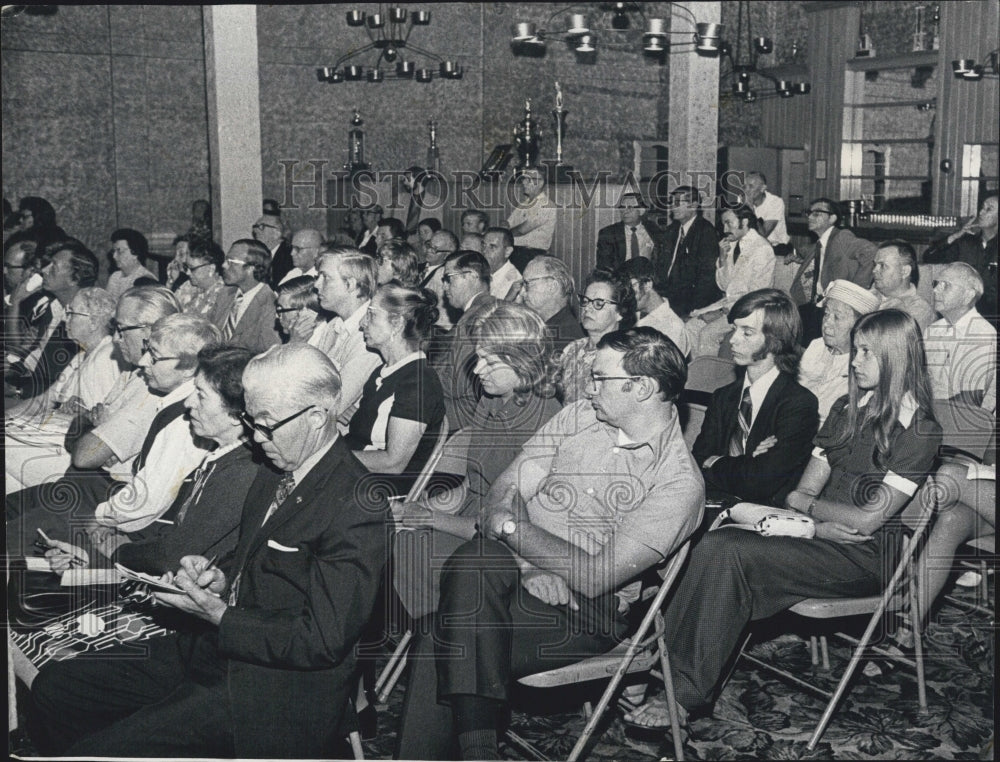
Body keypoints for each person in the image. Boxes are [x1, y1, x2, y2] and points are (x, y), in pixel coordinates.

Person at [28, 343, 392, 759]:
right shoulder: (278, 467)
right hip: (214, 652)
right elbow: (262, 569)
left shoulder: (358, 504)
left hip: (272, 692)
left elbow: (323, 639)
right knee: (55, 689)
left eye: (267, 425)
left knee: (97, 751)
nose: (255, 437)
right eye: (252, 422)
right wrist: (219, 577)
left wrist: (221, 614)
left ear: (315, 417)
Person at [625, 309, 943, 745]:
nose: (855, 360)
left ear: (896, 358)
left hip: (870, 558)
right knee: (716, 541)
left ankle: (678, 690)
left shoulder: (919, 429)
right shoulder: (846, 408)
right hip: (823, 539)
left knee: (730, 551)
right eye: (857, 349)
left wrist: (814, 508)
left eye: (867, 352)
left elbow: (870, 521)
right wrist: (815, 512)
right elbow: (798, 495)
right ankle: (666, 671)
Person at [395, 326, 704, 761]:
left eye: (600, 378)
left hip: (586, 613)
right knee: (477, 560)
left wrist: (509, 531)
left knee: (438, 635)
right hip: (513, 570)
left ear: (643, 388)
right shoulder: (579, 416)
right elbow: (507, 489)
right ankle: (480, 750)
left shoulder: (678, 482)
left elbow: (596, 576)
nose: (587, 385)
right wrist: (527, 563)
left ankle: (475, 748)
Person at [393, 300, 562, 620]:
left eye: (489, 361)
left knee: (405, 552)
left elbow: (510, 530)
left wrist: (430, 518)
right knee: (385, 537)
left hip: (509, 546)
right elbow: (473, 482)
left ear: (522, 362)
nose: (477, 369)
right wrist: (421, 510)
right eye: (478, 357)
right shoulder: (493, 396)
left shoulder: (543, 422)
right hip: (472, 523)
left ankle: (420, 648)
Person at [6, 312, 219, 555]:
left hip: (120, 527)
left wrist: (100, 516)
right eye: (147, 350)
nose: (142, 362)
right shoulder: (170, 401)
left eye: (155, 357)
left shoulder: (185, 420)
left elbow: (148, 501)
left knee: (12, 540)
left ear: (189, 367)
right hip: (107, 503)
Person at [40, 346, 259, 575]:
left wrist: (113, 548)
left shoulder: (240, 473)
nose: (188, 403)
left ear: (235, 414)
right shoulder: (221, 457)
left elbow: (170, 558)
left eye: (201, 395)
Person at [692, 288, 819, 509]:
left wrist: (717, 462)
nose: (733, 340)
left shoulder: (798, 404)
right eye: (734, 330)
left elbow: (760, 483)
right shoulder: (723, 397)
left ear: (775, 340)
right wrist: (750, 462)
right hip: (713, 507)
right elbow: (697, 463)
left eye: (747, 332)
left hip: (764, 519)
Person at [344, 283, 445, 495]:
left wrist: (327, 457)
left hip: (377, 490)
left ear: (397, 323)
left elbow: (393, 463)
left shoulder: (419, 383)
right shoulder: (385, 370)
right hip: (355, 473)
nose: (362, 324)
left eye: (370, 315)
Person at [6, 239, 99, 398]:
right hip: (28, 382)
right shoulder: (54, 307)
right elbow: (26, 354)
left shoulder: (82, 319)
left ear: (73, 278)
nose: (44, 270)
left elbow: (54, 378)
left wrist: (16, 390)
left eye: (53, 266)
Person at [686, 204, 776, 358]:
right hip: (729, 307)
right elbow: (725, 286)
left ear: (745, 222)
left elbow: (756, 295)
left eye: (729, 223)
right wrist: (722, 257)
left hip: (750, 311)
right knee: (691, 327)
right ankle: (700, 375)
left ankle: (713, 380)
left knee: (708, 334)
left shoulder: (762, 249)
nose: (724, 228)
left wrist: (721, 312)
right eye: (723, 224)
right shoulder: (732, 246)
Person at [311, 246, 384, 423]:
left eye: (325, 278)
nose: (316, 285)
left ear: (350, 284)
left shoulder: (369, 335)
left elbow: (333, 405)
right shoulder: (333, 325)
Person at [790, 198, 877, 341]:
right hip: (816, 306)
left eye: (817, 214)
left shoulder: (842, 237)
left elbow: (871, 252)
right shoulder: (822, 241)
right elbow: (814, 250)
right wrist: (796, 254)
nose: (810, 217)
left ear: (832, 218)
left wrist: (854, 291)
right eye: (809, 213)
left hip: (831, 308)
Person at [797, 279, 880, 424]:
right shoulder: (816, 346)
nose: (827, 323)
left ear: (859, 326)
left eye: (837, 317)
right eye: (826, 314)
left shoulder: (864, 364)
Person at [554, 268, 637, 404]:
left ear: (620, 312)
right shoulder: (572, 349)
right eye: (585, 301)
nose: (587, 308)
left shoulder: (624, 357)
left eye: (598, 303)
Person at [923, 262, 997, 412]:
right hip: (930, 415)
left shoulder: (982, 334)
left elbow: (971, 400)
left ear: (968, 295)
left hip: (962, 420)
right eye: (936, 284)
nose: (936, 290)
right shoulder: (933, 330)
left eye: (946, 285)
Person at [435, 250, 497, 429]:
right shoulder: (494, 305)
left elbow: (456, 385)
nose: (444, 287)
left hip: (464, 416)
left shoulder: (473, 317)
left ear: (471, 276)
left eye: (449, 279)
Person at [923, 194, 997, 321]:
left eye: (988, 209)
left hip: (992, 316)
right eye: (982, 207)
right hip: (959, 312)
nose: (981, 212)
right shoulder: (965, 242)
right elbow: (929, 257)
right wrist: (956, 236)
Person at [658, 186, 723, 317]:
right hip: (668, 296)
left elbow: (706, 279)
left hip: (691, 303)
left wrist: (690, 311)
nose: (672, 207)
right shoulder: (671, 230)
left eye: (677, 203)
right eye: (671, 203)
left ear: (693, 205)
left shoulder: (705, 232)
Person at [618, 256, 691, 357]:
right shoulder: (630, 315)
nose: (626, 295)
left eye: (631, 287)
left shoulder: (673, 328)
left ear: (647, 285)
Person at [217, 238, 281, 353]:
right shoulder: (225, 294)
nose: (224, 265)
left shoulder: (270, 304)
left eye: (231, 262)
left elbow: (268, 352)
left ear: (252, 268)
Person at [515, 254, 584, 354]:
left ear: (552, 287)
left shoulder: (566, 338)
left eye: (527, 284)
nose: (522, 293)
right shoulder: (544, 327)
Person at [870, 240, 935, 330]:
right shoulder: (867, 295)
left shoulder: (918, 310)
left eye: (882, 265)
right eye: (874, 265)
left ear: (904, 271)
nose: (874, 270)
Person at [595, 191, 661, 270]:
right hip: (619, 279)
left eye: (630, 207)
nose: (625, 211)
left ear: (641, 211)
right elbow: (604, 265)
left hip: (647, 278)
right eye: (622, 207)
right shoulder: (608, 233)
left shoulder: (654, 230)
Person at [506, 166, 556, 268]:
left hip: (532, 255)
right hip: (515, 252)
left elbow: (522, 230)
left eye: (529, 179)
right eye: (524, 178)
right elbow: (507, 223)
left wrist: (504, 234)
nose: (524, 182)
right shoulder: (524, 204)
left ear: (541, 183)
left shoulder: (546, 205)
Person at [176, 239, 232, 321]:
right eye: (186, 267)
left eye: (192, 268)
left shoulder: (224, 295)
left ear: (211, 269)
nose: (187, 273)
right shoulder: (187, 286)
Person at [742, 171, 789, 251]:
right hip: (753, 247)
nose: (746, 190)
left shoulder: (775, 202)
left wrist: (750, 210)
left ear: (763, 188)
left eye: (751, 186)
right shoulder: (742, 200)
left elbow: (763, 234)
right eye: (744, 187)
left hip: (777, 248)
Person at [107, 229, 157, 300]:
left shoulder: (145, 281)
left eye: (119, 251)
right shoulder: (115, 277)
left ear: (135, 253)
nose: (114, 256)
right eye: (113, 251)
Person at [275, 275, 321, 344]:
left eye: (281, 310)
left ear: (304, 313)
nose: (277, 316)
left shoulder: (320, 343)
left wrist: (294, 343)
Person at [251, 212, 293, 287]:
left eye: (262, 227)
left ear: (277, 233)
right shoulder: (258, 256)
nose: (255, 231)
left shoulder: (289, 256)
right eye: (255, 226)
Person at [482, 227, 522, 299]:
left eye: (492, 247)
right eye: (483, 245)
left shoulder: (513, 280)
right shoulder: (482, 271)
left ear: (507, 252)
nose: (484, 251)